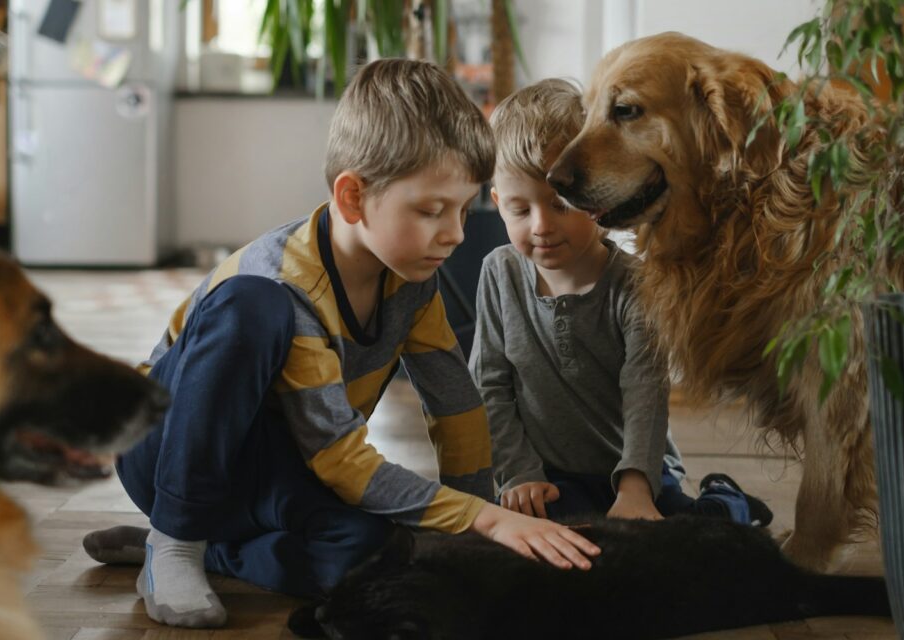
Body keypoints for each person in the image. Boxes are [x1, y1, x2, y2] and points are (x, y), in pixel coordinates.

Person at [82, 60, 599, 630]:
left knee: (375, 553)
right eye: (432, 210)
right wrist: (487, 519)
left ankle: (213, 550)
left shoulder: (411, 278)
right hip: (165, 452)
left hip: (274, 470)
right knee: (252, 306)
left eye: (462, 209)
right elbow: (339, 456)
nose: (455, 233)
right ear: (353, 197)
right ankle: (176, 538)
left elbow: (454, 403)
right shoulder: (286, 281)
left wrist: (471, 525)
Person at [474, 78, 773, 527]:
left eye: (561, 204)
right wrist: (518, 472)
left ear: (601, 193)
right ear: (498, 204)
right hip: (551, 474)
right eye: (520, 210)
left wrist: (636, 487)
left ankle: (726, 501)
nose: (541, 226)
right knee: (552, 529)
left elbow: (645, 391)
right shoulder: (499, 275)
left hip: (639, 467)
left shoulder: (637, 283)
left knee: (682, 534)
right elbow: (490, 386)